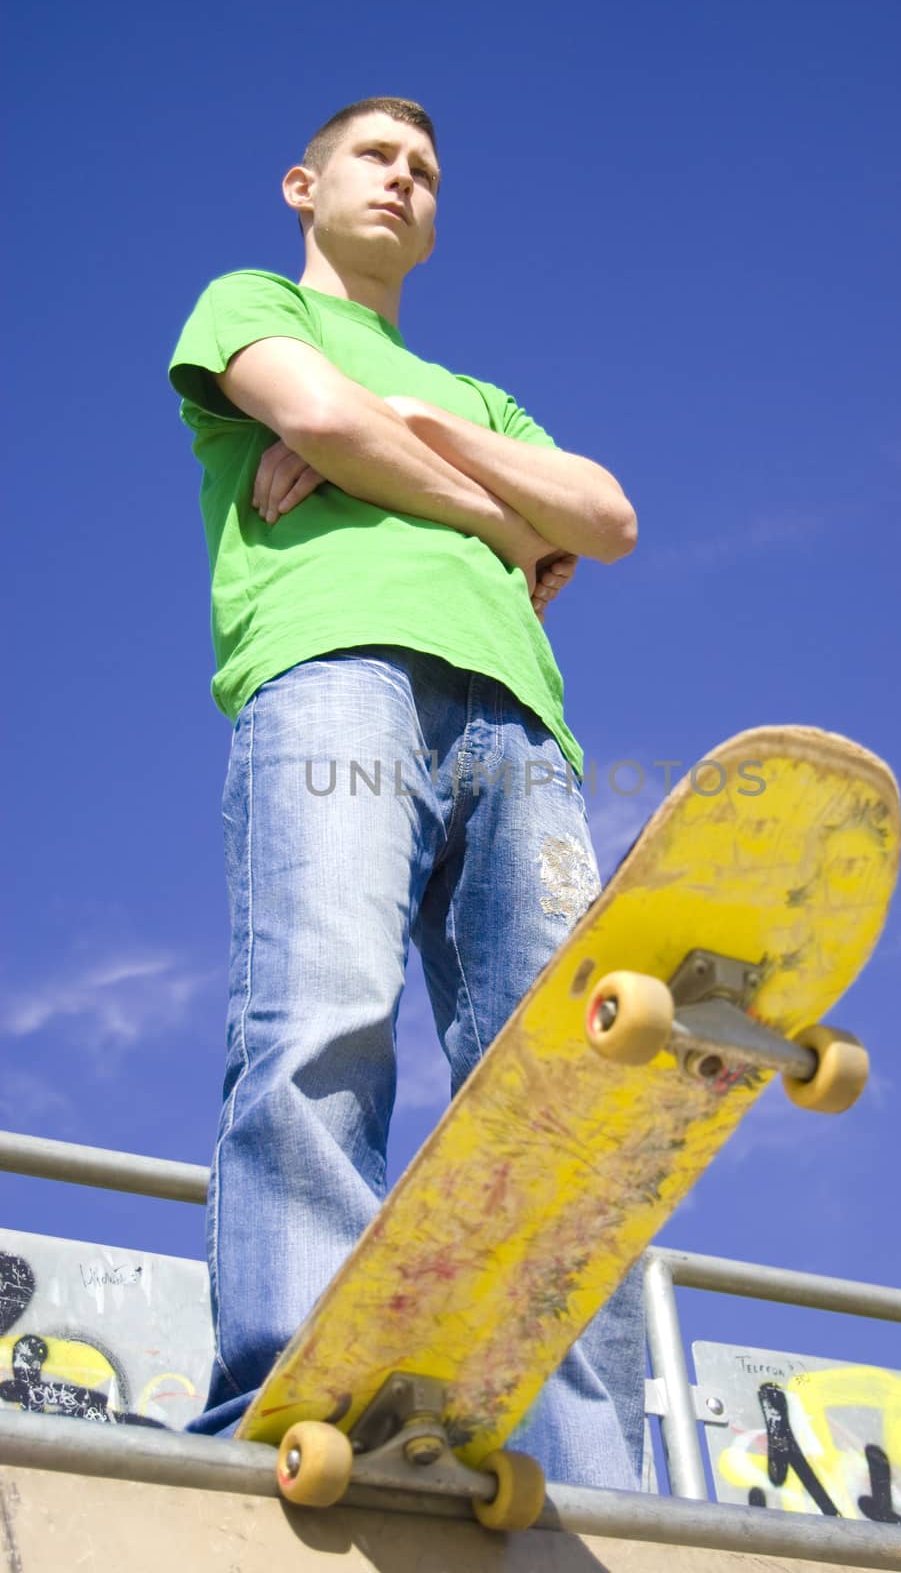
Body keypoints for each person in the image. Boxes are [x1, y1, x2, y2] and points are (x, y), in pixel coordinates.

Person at [169, 96, 643, 1489]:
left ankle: (590, 1464)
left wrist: (418, 423)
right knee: (323, 1017)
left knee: (568, 1099)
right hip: (337, 679)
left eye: (427, 171)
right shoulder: (251, 302)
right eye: (378, 157)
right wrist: (505, 523)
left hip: (523, 729)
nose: (406, 181)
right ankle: (294, 1393)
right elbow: (313, 410)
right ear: (304, 184)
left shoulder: (474, 396)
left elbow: (606, 518)